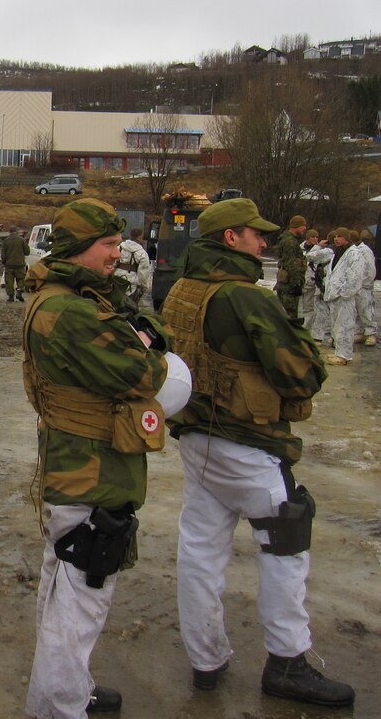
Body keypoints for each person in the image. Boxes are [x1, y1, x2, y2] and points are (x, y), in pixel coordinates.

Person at [161, 198, 354, 707]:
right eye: (255, 234)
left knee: (200, 551)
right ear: (231, 239)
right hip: (248, 443)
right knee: (286, 543)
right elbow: (301, 371)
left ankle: (206, 659)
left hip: (197, 439)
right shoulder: (248, 298)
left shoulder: (181, 288)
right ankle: (287, 662)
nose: (263, 242)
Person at [23, 198, 174, 719]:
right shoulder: (71, 312)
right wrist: (144, 349)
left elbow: (151, 342)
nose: (117, 254)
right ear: (80, 249)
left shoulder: (66, 298)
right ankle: (64, 708)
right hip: (88, 471)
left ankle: (58, 694)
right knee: (82, 599)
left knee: (63, 587)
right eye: (107, 245)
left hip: (79, 466)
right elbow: (148, 373)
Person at [322, 227, 361, 366]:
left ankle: (344, 355)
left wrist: (344, 293)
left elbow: (355, 277)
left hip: (344, 298)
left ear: (347, 238)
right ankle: (339, 352)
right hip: (335, 296)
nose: (336, 239)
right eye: (335, 236)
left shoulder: (354, 254)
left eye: (339, 236)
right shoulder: (337, 253)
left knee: (345, 326)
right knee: (337, 326)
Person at [274, 214, 308, 319]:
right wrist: (296, 284)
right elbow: (291, 264)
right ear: (296, 226)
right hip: (289, 285)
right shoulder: (290, 242)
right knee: (290, 315)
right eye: (303, 225)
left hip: (285, 282)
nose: (305, 228)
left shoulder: (287, 239)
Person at [113, 227, 153, 310]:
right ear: (139, 237)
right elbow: (144, 271)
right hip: (131, 281)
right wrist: (143, 285)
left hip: (117, 278)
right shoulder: (141, 252)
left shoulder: (120, 247)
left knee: (115, 303)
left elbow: (112, 262)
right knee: (129, 306)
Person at [304, 231, 333, 345]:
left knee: (321, 310)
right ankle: (330, 336)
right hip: (326, 284)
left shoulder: (327, 251)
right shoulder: (338, 252)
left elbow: (309, 257)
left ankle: (317, 337)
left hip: (323, 285)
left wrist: (318, 246)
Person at [351, 229, 377, 347]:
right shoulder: (352, 251)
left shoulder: (365, 251)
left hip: (363, 287)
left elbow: (371, 270)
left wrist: (365, 283)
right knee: (356, 311)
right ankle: (360, 332)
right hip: (354, 286)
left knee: (366, 310)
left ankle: (371, 333)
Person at [1, 225, 30, 302]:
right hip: (20, 264)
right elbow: (27, 252)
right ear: (17, 231)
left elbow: (3, 254)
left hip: (9, 264)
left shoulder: (6, 241)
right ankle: (19, 291)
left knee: (9, 281)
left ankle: (11, 297)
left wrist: (4, 262)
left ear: (9, 232)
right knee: (21, 279)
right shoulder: (22, 240)